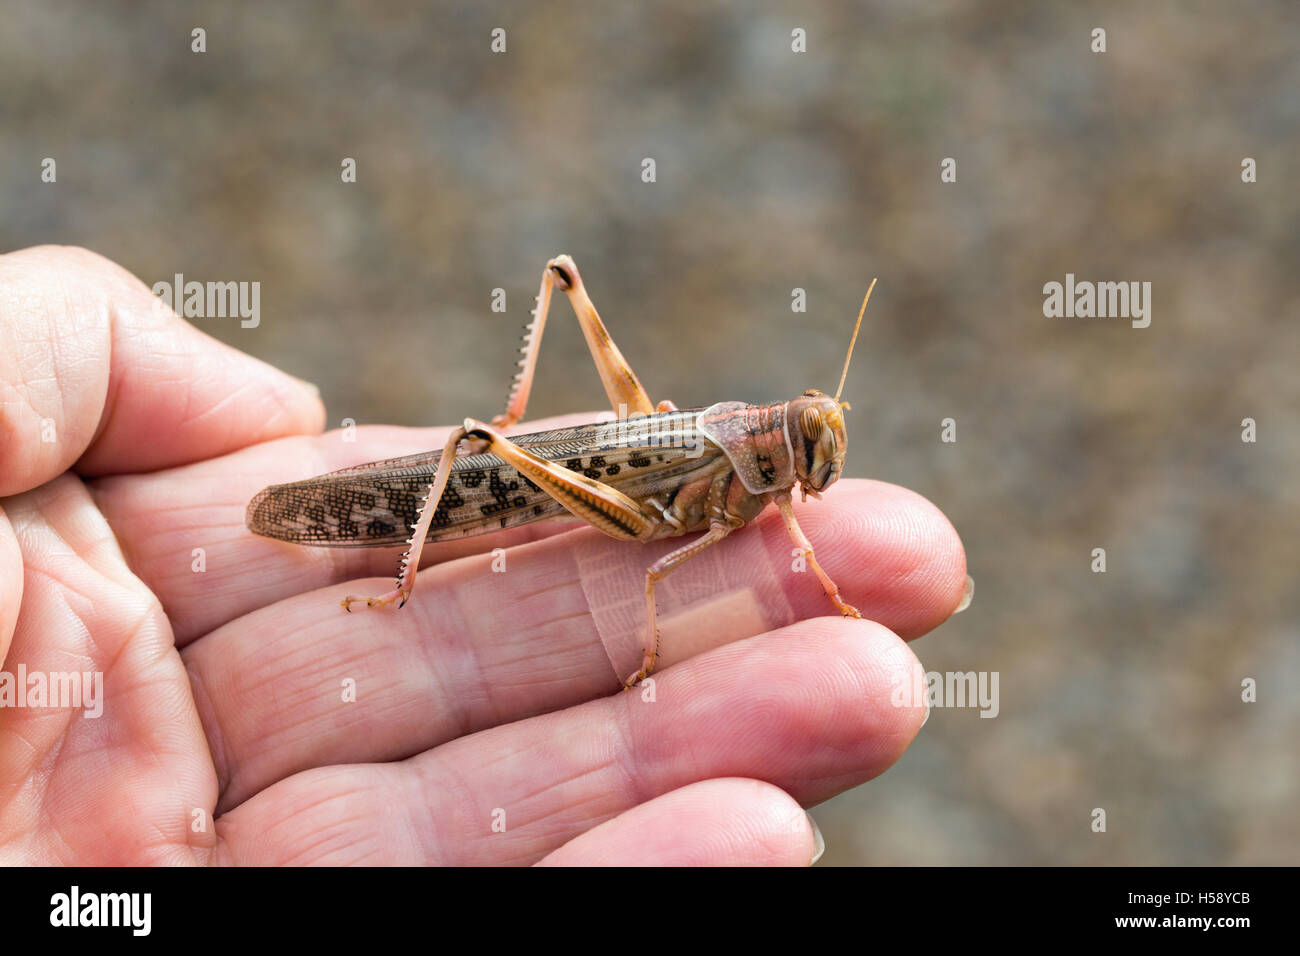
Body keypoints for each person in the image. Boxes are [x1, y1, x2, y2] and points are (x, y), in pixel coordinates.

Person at [0, 245, 967, 865]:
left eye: (815, 445)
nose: (814, 464)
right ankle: (470, 474)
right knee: (499, 416)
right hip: (612, 480)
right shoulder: (737, 474)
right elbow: (668, 565)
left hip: (648, 460)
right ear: (775, 445)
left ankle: (491, 440)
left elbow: (778, 522)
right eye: (806, 445)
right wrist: (652, 652)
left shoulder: (762, 478)